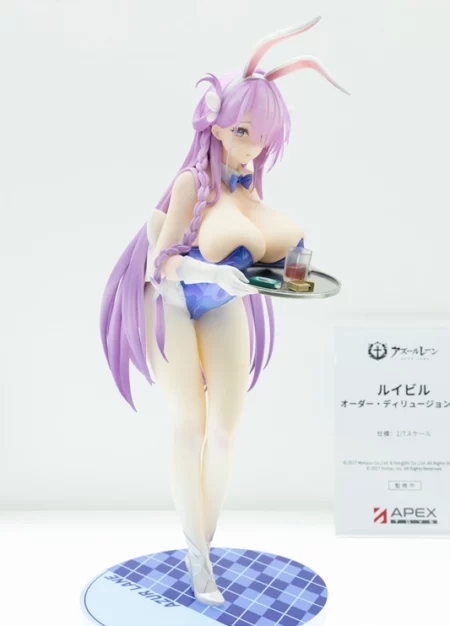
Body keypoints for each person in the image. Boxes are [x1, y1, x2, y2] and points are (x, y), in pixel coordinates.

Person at [100, 16, 348, 606]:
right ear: (215, 125)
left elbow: (265, 251)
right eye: (242, 132)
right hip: (171, 303)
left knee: (229, 429)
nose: (252, 146)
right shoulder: (192, 182)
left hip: (222, 304)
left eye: (262, 137)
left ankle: (203, 543)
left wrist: (279, 274)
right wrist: (213, 273)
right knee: (191, 425)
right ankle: (197, 560)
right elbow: (162, 264)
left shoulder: (248, 188)